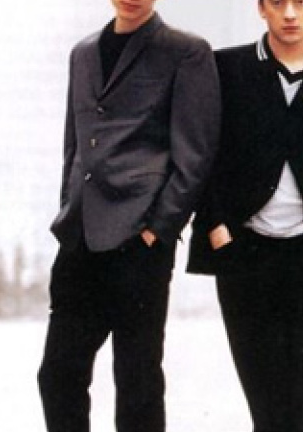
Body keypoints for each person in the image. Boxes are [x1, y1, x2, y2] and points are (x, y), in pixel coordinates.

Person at [36, 0, 220, 430]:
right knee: (58, 374)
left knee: (137, 381)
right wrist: (70, 208)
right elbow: (74, 145)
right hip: (81, 237)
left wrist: (158, 230)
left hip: (140, 240)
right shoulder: (83, 53)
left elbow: (195, 156)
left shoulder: (186, 51)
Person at [187, 0, 303, 430]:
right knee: (262, 394)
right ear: (261, 8)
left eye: (300, 2)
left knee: (294, 392)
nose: (289, 13)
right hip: (242, 247)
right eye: (277, 3)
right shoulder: (227, 68)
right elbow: (202, 154)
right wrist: (217, 225)